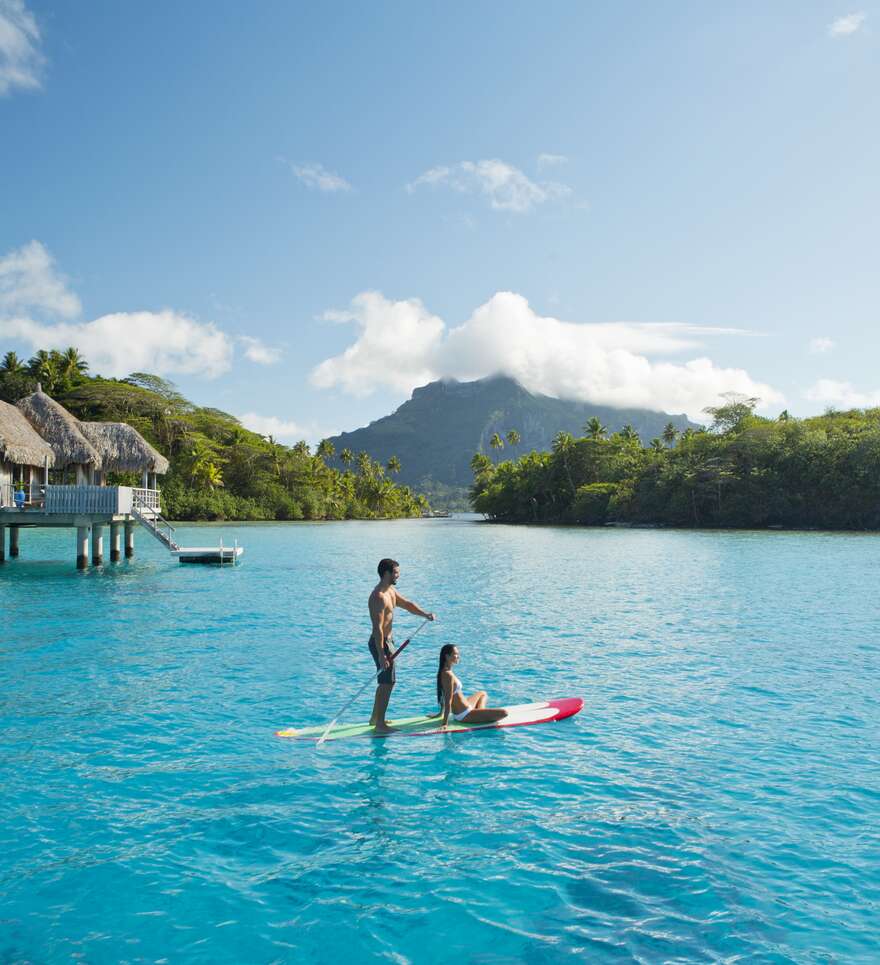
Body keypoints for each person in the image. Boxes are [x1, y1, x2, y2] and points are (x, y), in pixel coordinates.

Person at [368, 558, 435, 733]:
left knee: (385, 681)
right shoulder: (378, 597)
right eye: (396, 572)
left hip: (387, 642)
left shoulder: (390, 591)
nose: (398, 575)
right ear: (387, 573)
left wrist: (424, 614)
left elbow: (406, 604)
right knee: (387, 682)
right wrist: (382, 654)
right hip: (380, 642)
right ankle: (380, 724)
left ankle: (375, 718)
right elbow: (377, 629)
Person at [436, 644, 507, 726]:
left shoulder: (445, 671)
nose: (458, 656)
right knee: (504, 713)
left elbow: (442, 693)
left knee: (482, 693)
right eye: (455, 654)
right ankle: (481, 713)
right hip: (464, 715)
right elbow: (448, 700)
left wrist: (440, 713)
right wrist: (445, 723)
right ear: (447, 656)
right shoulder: (447, 675)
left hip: (466, 707)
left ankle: (481, 712)